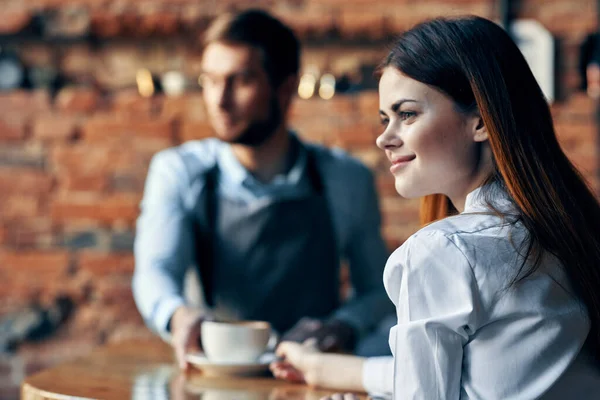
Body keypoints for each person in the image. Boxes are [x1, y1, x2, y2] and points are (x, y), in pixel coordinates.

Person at [271, 15, 600, 399]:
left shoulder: (443, 251)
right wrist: (320, 368)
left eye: (406, 114)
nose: (384, 139)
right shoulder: (567, 231)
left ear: (480, 121)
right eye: (385, 119)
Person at [132, 8, 394, 371]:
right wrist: (176, 314)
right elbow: (156, 269)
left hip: (311, 378)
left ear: (285, 88)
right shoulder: (179, 172)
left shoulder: (346, 179)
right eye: (209, 80)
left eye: (239, 81)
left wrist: (343, 326)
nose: (219, 100)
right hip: (214, 379)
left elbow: (378, 291)